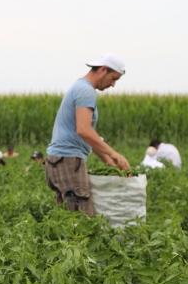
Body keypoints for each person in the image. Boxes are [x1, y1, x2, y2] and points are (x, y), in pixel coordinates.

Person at [45, 53, 130, 216]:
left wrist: (108, 160)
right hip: (68, 160)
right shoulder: (86, 90)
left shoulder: (80, 87)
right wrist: (113, 153)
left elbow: (87, 135)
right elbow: (84, 130)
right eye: (114, 78)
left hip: (60, 160)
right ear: (103, 70)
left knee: (66, 216)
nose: (113, 85)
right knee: (81, 219)